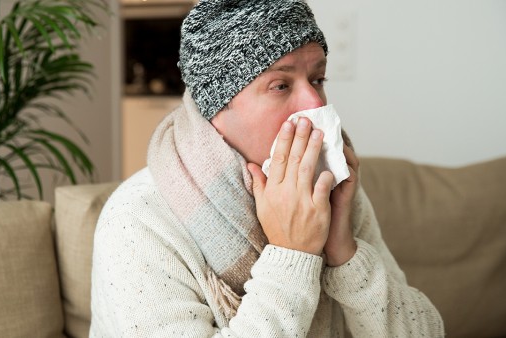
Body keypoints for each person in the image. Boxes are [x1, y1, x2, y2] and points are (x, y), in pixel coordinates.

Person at [90, 0, 444, 336]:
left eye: (318, 80)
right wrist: (294, 255)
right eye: (281, 85)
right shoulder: (138, 219)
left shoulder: (329, 189)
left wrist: (344, 252)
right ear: (216, 107)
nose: (314, 102)